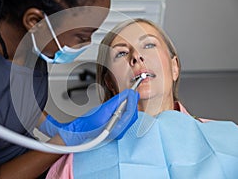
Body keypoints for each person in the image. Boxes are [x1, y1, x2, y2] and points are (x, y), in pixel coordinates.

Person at [0, 0, 140, 178]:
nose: (87, 43)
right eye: (82, 35)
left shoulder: (31, 46)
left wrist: (53, 126)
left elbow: (13, 102)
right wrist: (69, 137)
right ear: (35, 22)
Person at [44, 18, 238, 178]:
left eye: (149, 45)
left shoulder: (229, 138)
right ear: (110, 83)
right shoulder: (75, 160)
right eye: (121, 53)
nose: (136, 56)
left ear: (174, 67)